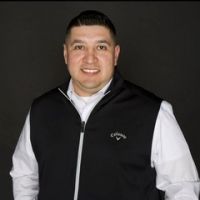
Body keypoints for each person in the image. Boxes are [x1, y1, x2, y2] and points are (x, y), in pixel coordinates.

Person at [10, 10, 200, 200]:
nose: (90, 58)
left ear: (115, 55)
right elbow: (24, 175)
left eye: (101, 47)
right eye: (79, 47)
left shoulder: (154, 112)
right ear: (66, 54)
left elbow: (182, 188)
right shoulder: (41, 111)